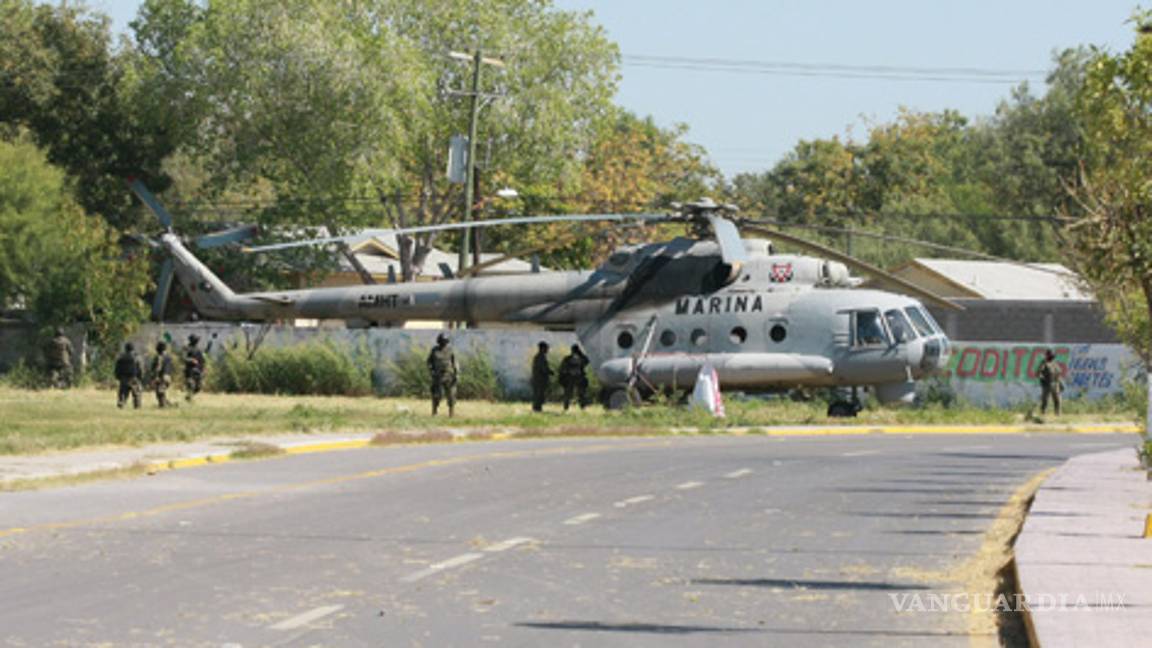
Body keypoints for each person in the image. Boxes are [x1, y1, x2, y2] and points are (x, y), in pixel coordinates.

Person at [426, 333, 458, 417]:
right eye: (442, 341)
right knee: (437, 395)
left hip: (449, 376)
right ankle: (434, 412)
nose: (444, 343)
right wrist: (431, 371)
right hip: (437, 376)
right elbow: (429, 362)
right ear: (439, 341)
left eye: (445, 341)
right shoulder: (434, 350)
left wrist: (456, 374)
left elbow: (455, 363)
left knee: (451, 395)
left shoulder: (450, 350)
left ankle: (451, 413)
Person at [558, 344, 590, 411]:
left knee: (578, 393)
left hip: (576, 377)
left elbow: (587, 360)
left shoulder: (569, 358)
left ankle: (579, 406)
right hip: (573, 377)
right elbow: (562, 368)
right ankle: (569, 407)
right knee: (572, 393)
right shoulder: (568, 359)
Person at [113, 342, 144, 409]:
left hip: (123, 378)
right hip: (134, 378)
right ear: (133, 349)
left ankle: (121, 404)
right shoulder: (137, 358)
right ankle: (137, 406)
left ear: (126, 349)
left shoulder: (121, 358)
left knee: (123, 394)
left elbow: (117, 369)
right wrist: (140, 377)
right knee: (137, 394)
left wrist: (118, 377)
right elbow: (140, 368)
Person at [1037, 349, 1064, 416]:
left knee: (1057, 400)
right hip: (1047, 384)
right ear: (1047, 355)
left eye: (1052, 355)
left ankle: (1057, 413)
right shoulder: (1044, 363)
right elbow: (1038, 373)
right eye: (1050, 355)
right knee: (1045, 400)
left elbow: (1058, 374)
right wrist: (1042, 380)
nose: (1052, 356)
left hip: (1056, 384)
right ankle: (1043, 413)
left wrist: (1061, 383)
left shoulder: (1055, 363)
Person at [150, 341, 175, 408]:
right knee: (162, 392)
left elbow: (158, 368)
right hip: (168, 377)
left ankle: (163, 405)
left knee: (160, 392)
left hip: (161, 377)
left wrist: (155, 377)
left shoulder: (159, 357)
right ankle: (167, 404)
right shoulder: (169, 357)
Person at [183, 334, 206, 402]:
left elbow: (202, 360)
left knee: (199, 387)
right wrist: (191, 360)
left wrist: (203, 369)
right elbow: (183, 358)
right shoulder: (187, 348)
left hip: (198, 370)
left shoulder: (198, 349)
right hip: (190, 370)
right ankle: (190, 399)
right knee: (191, 385)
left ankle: (189, 396)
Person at [531, 341, 553, 412]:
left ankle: (537, 408)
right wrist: (550, 372)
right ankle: (537, 408)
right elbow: (543, 369)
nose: (547, 350)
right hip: (539, 380)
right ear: (542, 348)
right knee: (539, 394)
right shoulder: (540, 357)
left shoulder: (540, 357)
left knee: (539, 394)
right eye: (546, 348)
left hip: (539, 379)